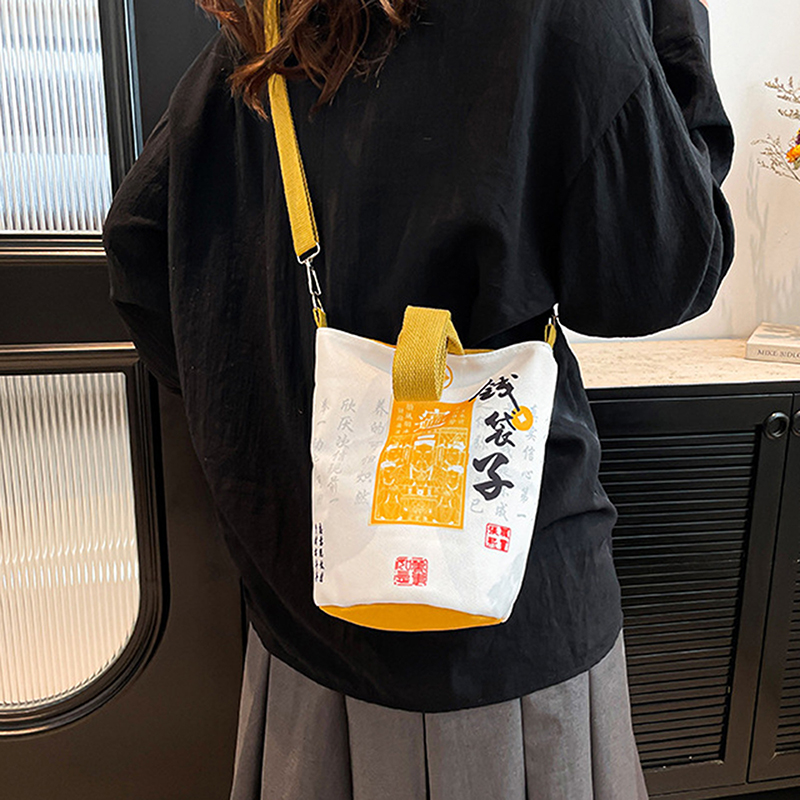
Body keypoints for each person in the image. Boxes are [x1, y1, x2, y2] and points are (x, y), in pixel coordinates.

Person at [102, 0, 734, 796]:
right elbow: (659, 272)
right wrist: (672, 23)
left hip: (308, 617)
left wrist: (270, 413)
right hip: (503, 639)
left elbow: (140, 244)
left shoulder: (271, 28)